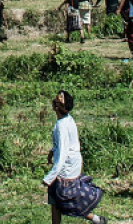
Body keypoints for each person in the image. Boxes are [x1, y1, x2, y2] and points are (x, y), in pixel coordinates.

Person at [43, 90, 107, 224]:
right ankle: (96, 220)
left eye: (58, 101)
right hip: (71, 165)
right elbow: (62, 145)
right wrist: (52, 151)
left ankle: (96, 219)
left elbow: (62, 154)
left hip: (65, 169)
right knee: (57, 201)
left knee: (68, 202)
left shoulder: (62, 126)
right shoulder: (66, 120)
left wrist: (50, 177)